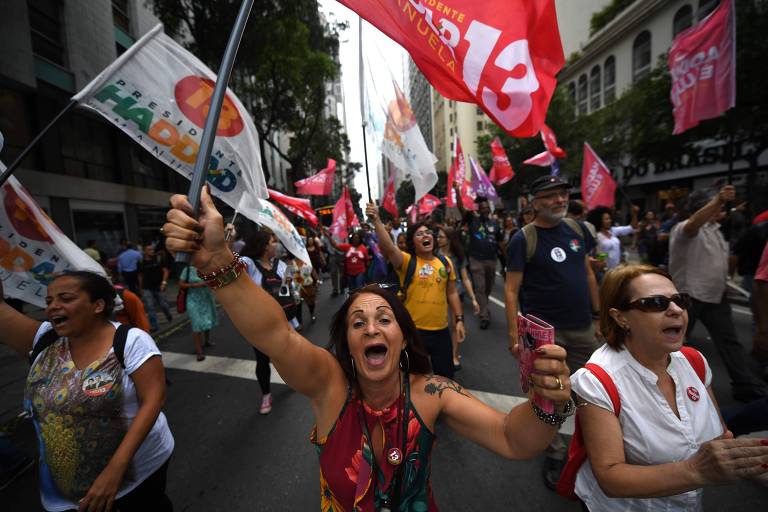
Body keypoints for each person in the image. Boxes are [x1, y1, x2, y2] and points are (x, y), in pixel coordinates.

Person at [162, 187, 575, 510]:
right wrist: (217, 259)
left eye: (384, 319)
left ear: (400, 335)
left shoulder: (433, 394)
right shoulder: (329, 386)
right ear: (347, 343)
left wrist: (546, 401)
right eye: (357, 322)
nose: (371, 327)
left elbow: (513, 439)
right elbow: (277, 337)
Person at [570, 264, 768, 511]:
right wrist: (695, 470)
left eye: (679, 300)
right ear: (620, 317)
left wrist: (728, 454)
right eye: (655, 303)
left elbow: (717, 434)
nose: (676, 310)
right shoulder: (596, 380)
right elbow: (610, 478)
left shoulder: (694, 361)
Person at [0, 272, 174, 511]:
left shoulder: (130, 340)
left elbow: (154, 398)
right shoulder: (44, 340)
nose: (53, 307)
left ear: (98, 305)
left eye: (65, 298)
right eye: (49, 301)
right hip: (63, 495)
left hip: (136, 478)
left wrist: (114, 471)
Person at [504, 175, 601, 490]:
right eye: (550, 196)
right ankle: (555, 451)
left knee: (590, 391)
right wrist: (514, 337)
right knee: (549, 394)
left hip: (583, 327)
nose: (560, 200)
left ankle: (593, 445)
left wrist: (599, 315)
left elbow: (587, 272)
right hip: (546, 336)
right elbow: (510, 290)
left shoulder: (577, 230)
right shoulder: (523, 239)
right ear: (534, 202)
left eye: (563, 194)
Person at [669, 185, 768, 402]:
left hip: (715, 297)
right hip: (688, 297)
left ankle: (745, 384)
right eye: (714, 205)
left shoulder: (715, 230)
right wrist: (719, 199)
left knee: (729, 342)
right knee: (676, 345)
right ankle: (672, 388)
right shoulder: (684, 229)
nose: (720, 209)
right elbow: (693, 224)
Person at [369, 202, 465, 379]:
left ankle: (443, 406)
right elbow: (389, 248)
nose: (425, 235)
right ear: (413, 242)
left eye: (428, 233)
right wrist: (376, 220)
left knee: (446, 379)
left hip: (441, 332)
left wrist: (459, 319)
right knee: (413, 379)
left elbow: (452, 293)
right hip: (414, 332)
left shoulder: (445, 263)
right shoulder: (407, 261)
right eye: (419, 234)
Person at [241, 231, 300, 414]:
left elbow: (285, 291)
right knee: (262, 360)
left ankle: (291, 379)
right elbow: (230, 266)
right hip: (259, 324)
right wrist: (227, 239)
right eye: (273, 241)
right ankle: (266, 394)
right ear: (264, 245)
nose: (276, 244)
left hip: (281, 321)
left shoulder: (280, 264)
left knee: (284, 356)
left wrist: (290, 280)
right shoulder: (248, 263)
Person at [436, 226, 480, 371]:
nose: (438, 239)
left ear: (449, 239)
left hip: (456, 294)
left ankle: (454, 356)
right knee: (443, 325)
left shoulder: (458, 256)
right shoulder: (433, 255)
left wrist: (473, 299)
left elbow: (465, 278)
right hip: (437, 295)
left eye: (441, 237)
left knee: (455, 325)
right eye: (438, 236)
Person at [456, 192, 502, 330]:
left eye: (487, 208)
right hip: (476, 260)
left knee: (488, 287)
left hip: (492, 260)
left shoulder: (495, 223)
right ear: (478, 209)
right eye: (482, 208)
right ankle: (484, 316)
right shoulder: (472, 219)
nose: (485, 210)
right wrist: (458, 191)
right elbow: (460, 207)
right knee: (480, 287)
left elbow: (500, 243)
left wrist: (506, 260)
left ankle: (484, 304)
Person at [179, 263, 218, 361]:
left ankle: (207, 341)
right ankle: (199, 351)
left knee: (208, 319)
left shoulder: (207, 267)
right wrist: (196, 284)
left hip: (206, 298)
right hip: (192, 300)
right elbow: (181, 284)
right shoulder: (187, 269)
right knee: (197, 324)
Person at [586, 205, 639, 271]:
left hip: (617, 269)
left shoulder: (613, 231)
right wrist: (602, 262)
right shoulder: (596, 236)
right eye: (606, 219)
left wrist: (634, 214)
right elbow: (599, 254)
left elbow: (632, 228)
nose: (610, 220)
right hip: (605, 271)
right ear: (599, 220)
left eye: (610, 218)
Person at [139, 243, 173, 332]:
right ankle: (154, 326)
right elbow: (140, 275)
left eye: (152, 249)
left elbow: (166, 271)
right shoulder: (141, 261)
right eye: (149, 249)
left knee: (163, 304)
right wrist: (141, 288)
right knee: (150, 307)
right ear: (144, 251)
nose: (152, 251)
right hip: (147, 287)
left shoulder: (158, 259)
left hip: (158, 286)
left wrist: (164, 283)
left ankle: (169, 316)